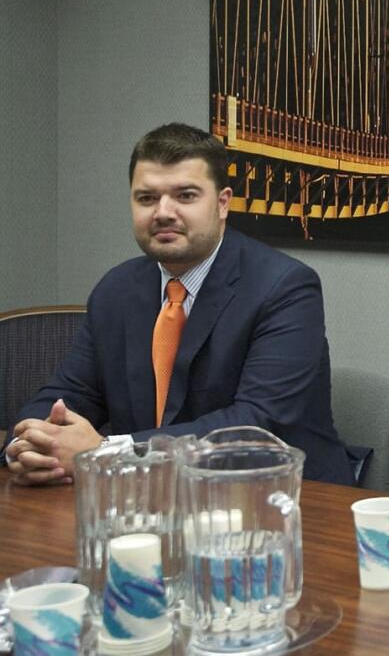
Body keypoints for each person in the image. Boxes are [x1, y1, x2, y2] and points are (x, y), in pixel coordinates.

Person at [4, 123, 353, 485]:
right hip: (150, 503)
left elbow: (256, 425)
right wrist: (30, 443)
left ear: (222, 203)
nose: (163, 212)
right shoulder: (115, 290)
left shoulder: (285, 287)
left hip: (283, 501)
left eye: (185, 196)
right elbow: (69, 394)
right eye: (146, 198)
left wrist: (108, 454)